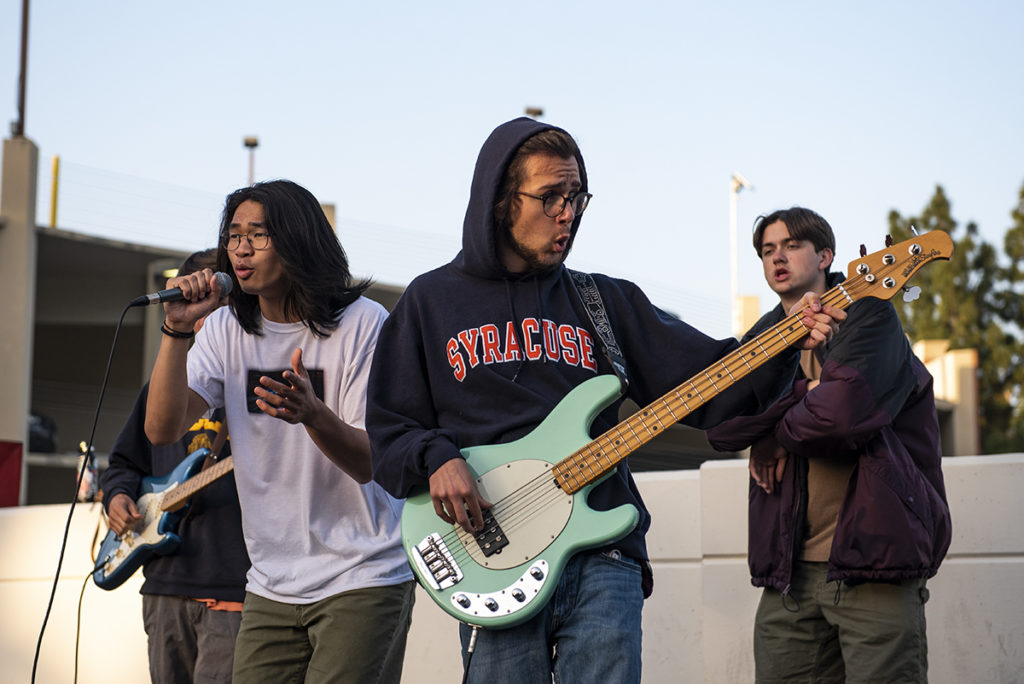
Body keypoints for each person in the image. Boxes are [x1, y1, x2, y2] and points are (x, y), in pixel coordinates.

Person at [365, 118, 844, 684]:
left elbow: (714, 386)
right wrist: (437, 457)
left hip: (603, 551)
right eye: (549, 198)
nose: (567, 213)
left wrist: (783, 334)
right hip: (492, 554)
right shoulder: (430, 301)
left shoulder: (600, 301)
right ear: (500, 201)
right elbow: (390, 429)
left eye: (576, 197)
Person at [143, 180, 415, 684]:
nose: (241, 248)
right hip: (270, 584)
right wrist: (177, 329)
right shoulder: (226, 329)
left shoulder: (362, 324)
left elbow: (371, 460)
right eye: (233, 235)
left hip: (363, 573)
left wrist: (313, 414)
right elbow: (161, 429)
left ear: (298, 241)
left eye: (258, 235)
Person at [705, 207, 952, 683]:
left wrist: (772, 431)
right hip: (789, 577)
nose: (777, 257)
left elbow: (840, 419)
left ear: (826, 255)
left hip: (875, 568)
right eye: (766, 250)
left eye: (791, 245)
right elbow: (719, 427)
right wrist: (791, 408)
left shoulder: (869, 313)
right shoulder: (764, 337)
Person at [101, 248, 250, 684]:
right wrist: (118, 496)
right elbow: (124, 461)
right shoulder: (160, 386)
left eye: (215, 307)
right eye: (195, 308)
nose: (205, 320)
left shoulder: (254, 381)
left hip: (232, 588)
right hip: (164, 584)